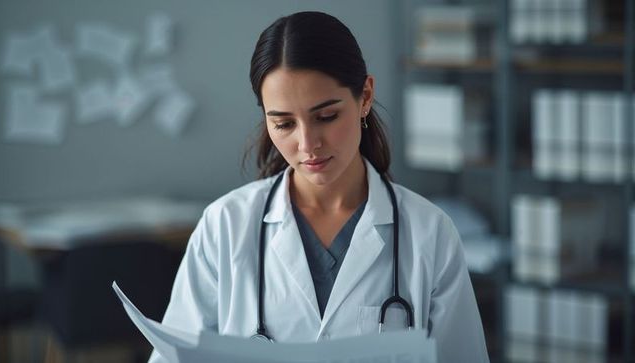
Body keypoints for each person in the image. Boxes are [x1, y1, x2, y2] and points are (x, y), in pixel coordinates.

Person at [149, 11, 489, 363]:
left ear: (365, 96)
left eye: (326, 117)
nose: (308, 144)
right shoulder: (225, 226)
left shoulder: (429, 233)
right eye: (283, 124)